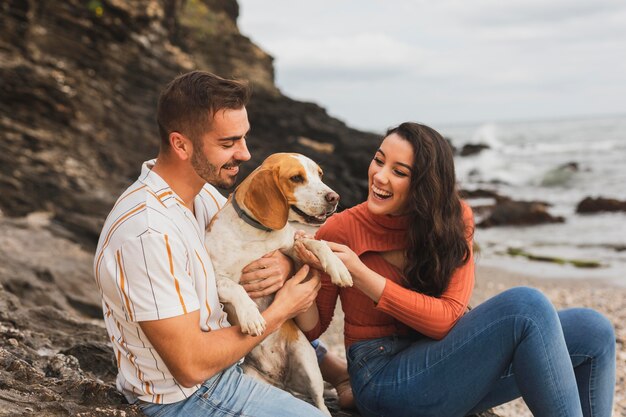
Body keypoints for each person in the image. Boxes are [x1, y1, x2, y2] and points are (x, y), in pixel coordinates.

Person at [295, 122, 616, 417]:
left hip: (445, 359)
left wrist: (359, 273)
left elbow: (446, 319)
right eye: (379, 161)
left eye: (399, 171)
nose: (379, 176)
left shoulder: (453, 219)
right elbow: (313, 327)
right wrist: (299, 270)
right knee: (526, 306)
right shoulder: (340, 229)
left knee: (593, 329)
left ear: (424, 184)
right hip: (383, 378)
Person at [93, 70, 328, 417]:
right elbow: (190, 366)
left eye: (244, 138)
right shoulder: (147, 233)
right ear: (181, 144)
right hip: (186, 396)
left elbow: (263, 240)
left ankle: (335, 371)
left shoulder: (200, 195)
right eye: (228, 143)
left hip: (230, 362)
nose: (246, 154)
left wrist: (284, 265)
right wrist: (282, 310)